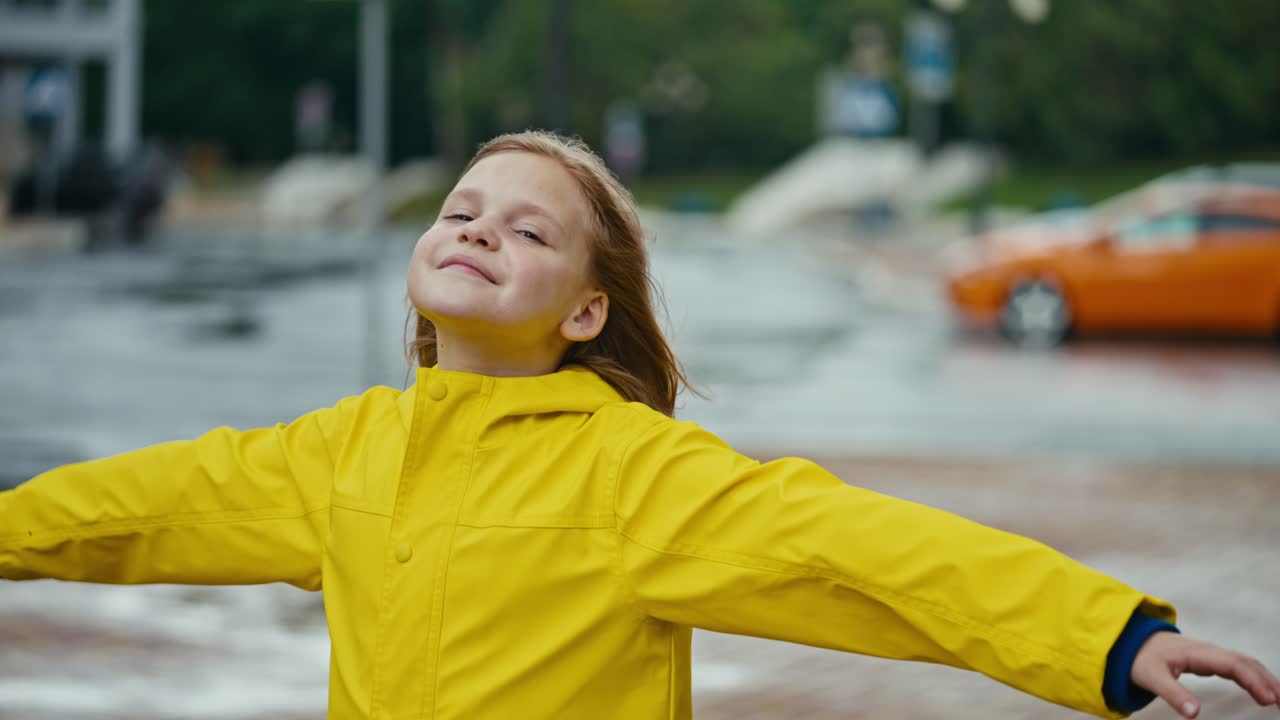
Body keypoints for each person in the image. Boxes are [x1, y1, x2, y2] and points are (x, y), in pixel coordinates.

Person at [1, 131, 1276, 720]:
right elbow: (139, 507)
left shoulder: (633, 473)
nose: (478, 227)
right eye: (461, 206)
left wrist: (1104, 636)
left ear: (582, 312)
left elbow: (857, 552)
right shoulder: (336, 453)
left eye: (528, 226)